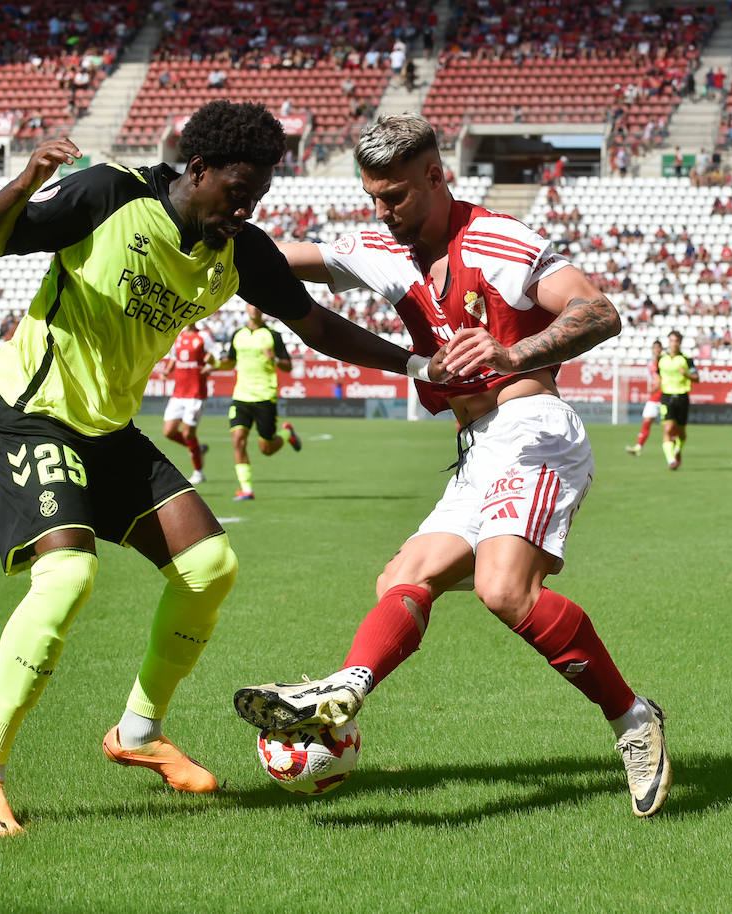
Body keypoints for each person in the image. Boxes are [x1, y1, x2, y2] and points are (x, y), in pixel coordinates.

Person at [0, 101, 445, 836]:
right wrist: (26, 180)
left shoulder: (239, 248)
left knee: (209, 565)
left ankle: (138, 734)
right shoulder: (112, 193)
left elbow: (316, 325)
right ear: (197, 168)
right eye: (236, 188)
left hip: (107, 429)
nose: (245, 206)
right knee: (68, 579)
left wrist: (417, 363)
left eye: (259, 194)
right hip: (28, 408)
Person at [232, 114, 672, 818]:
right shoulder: (379, 245)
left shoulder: (500, 240)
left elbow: (599, 311)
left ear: (437, 176)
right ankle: (341, 696)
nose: (385, 211)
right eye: (374, 197)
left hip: (534, 431)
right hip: (476, 452)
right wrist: (197, 236)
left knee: (504, 590)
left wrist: (513, 354)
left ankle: (632, 720)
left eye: (398, 195)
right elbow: (277, 257)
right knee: (400, 580)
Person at [220, 302, 301, 501]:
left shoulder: (273, 335)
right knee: (238, 440)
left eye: (258, 306)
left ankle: (286, 432)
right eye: (251, 305)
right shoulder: (238, 334)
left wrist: (273, 359)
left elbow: (288, 367)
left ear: (262, 310)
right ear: (246, 309)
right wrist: (213, 365)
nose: (254, 308)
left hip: (265, 396)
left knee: (267, 449)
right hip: (241, 396)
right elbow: (230, 362)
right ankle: (246, 490)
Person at [159, 320, 215, 484]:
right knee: (168, 432)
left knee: (188, 433)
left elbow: (216, 356)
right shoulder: (178, 336)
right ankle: (198, 449)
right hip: (179, 392)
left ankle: (198, 472)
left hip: (196, 393)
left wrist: (210, 366)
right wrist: (166, 372)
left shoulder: (203, 336)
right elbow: (174, 358)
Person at [657, 330, 698, 469]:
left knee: (681, 433)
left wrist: (686, 374)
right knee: (668, 429)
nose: (673, 343)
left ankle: (678, 449)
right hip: (667, 397)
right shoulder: (661, 359)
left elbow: (697, 378)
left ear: (680, 343)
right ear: (668, 342)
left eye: (676, 341)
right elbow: (657, 375)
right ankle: (671, 461)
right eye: (671, 340)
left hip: (682, 397)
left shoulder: (687, 359)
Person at [626, 339, 662, 456]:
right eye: (655, 348)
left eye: (658, 348)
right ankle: (638, 447)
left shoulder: (664, 362)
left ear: (661, 349)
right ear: (652, 350)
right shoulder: (651, 364)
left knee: (670, 426)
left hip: (665, 397)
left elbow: (659, 381)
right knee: (646, 421)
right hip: (654, 398)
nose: (656, 350)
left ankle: (674, 449)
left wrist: (655, 387)